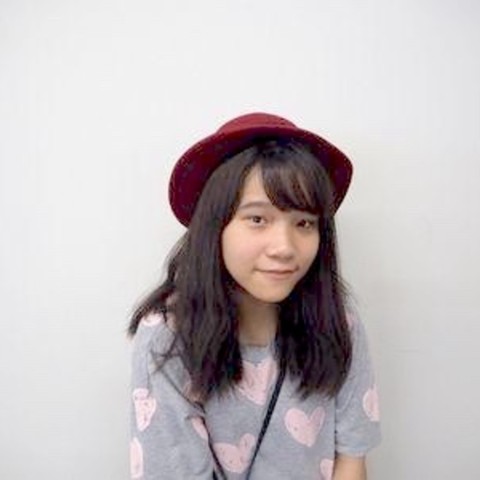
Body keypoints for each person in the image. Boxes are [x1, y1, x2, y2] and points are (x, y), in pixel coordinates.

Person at [128, 112, 381, 480]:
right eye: (258, 219)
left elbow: (351, 461)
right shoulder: (168, 336)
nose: (284, 247)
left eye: (304, 223)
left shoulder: (338, 324)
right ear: (215, 225)